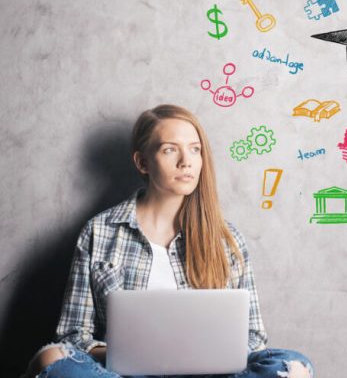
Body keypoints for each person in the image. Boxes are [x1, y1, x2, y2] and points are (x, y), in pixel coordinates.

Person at [22, 104, 313, 378]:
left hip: (208, 374)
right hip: (124, 373)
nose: (186, 161)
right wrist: (134, 353)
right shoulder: (100, 231)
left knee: (293, 366)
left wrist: (200, 355)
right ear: (143, 162)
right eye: (170, 149)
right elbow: (74, 335)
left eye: (195, 150)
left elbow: (254, 338)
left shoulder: (226, 238)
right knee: (50, 359)